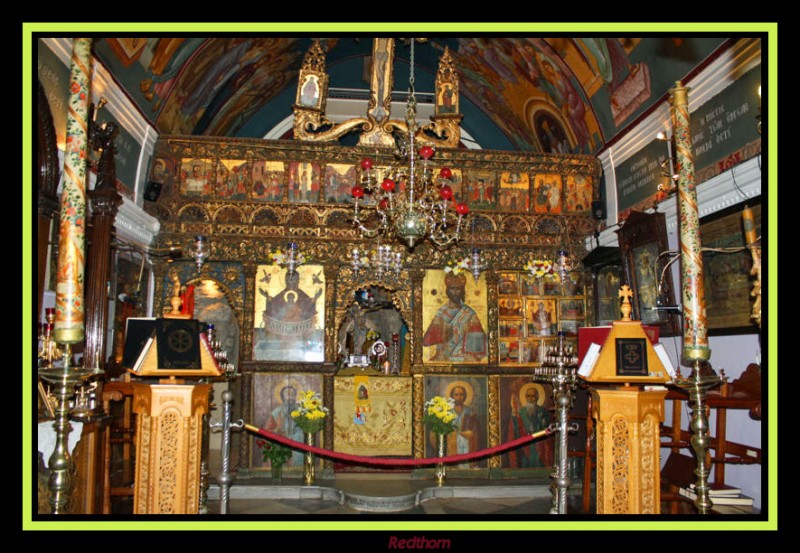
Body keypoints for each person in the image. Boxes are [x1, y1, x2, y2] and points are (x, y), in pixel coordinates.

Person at [423, 273, 487, 362]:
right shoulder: (441, 313)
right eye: (452, 289)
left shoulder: (469, 313)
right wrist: (442, 336)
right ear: (447, 291)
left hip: (465, 358)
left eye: (458, 289)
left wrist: (468, 336)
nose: (455, 292)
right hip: (444, 357)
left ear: (462, 291)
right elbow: (426, 340)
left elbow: (480, 341)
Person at [507, 384, 553, 467]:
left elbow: (547, 430)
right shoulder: (521, 413)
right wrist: (514, 416)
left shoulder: (542, 412)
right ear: (525, 397)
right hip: (525, 447)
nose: (530, 399)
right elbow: (515, 431)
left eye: (533, 396)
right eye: (528, 396)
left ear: (537, 397)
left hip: (539, 447)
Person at [265, 385, 303, 466]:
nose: (290, 398)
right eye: (288, 395)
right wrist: (277, 430)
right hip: (281, 445)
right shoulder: (276, 413)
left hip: (298, 445)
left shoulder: (301, 411)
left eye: (292, 395)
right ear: (282, 397)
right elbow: (267, 431)